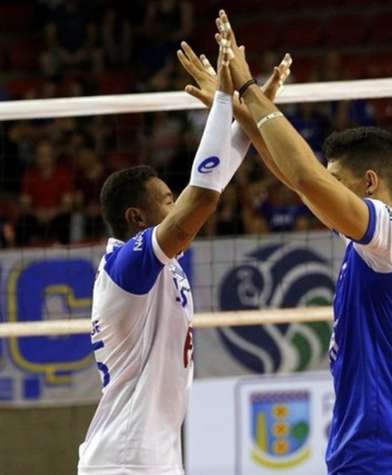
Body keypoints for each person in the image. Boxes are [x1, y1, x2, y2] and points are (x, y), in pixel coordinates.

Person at [201, 11, 392, 474]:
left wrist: (249, 88)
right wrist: (233, 110)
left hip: (383, 455)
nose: (325, 190)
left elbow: (306, 176)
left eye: (337, 181)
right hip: (366, 451)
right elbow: (298, 180)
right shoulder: (371, 243)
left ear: (369, 183)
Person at [77, 33, 285, 474]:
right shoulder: (127, 266)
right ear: (137, 217)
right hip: (125, 460)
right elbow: (204, 197)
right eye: (168, 200)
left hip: (152, 456)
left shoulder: (156, 264)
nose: (177, 206)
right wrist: (227, 101)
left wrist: (249, 117)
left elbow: (216, 180)